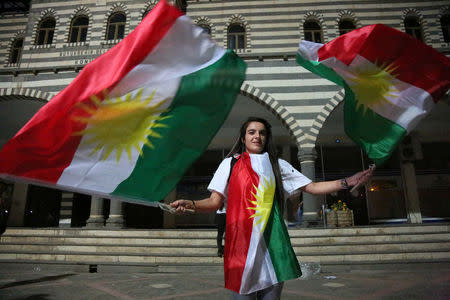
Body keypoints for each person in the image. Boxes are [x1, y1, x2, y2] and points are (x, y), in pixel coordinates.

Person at [171, 117, 373, 300]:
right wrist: (192, 205)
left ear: (267, 138)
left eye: (262, 132)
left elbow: (312, 187)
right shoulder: (230, 164)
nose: (257, 136)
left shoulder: (277, 164)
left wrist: (347, 181)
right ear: (243, 138)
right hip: (241, 247)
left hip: (273, 246)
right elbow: (214, 201)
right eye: (251, 132)